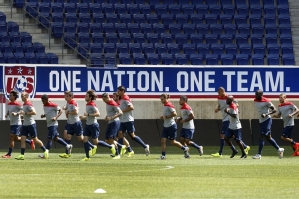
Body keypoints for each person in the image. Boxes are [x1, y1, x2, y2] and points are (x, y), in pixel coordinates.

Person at [212, 87, 250, 157]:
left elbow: (236, 105)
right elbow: (220, 106)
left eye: (219, 92)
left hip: (228, 119)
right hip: (224, 118)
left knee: (222, 135)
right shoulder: (219, 98)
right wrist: (218, 109)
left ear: (223, 91)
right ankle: (244, 147)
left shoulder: (229, 98)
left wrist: (231, 109)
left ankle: (220, 153)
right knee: (231, 136)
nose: (218, 94)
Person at [80, 90, 117, 161]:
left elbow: (98, 114)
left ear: (90, 97)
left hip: (93, 125)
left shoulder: (92, 104)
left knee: (96, 142)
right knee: (85, 140)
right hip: (88, 124)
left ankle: (110, 147)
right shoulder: (87, 104)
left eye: (86, 96)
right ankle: (87, 157)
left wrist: (87, 115)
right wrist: (84, 117)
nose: (85, 97)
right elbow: (90, 116)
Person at [59, 91, 95, 158]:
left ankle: (92, 147)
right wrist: (65, 108)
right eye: (65, 96)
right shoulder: (68, 102)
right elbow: (66, 107)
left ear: (70, 97)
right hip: (70, 123)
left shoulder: (73, 103)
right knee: (67, 137)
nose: (65, 97)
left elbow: (76, 112)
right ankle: (67, 153)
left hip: (76, 123)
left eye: (66, 96)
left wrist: (68, 112)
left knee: (81, 139)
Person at [117, 86, 150, 157]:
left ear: (122, 91)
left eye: (119, 91)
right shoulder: (121, 99)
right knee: (120, 134)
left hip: (128, 120)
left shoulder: (126, 98)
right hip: (123, 120)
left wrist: (121, 111)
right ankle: (118, 153)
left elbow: (131, 107)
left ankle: (145, 146)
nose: (118, 92)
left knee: (132, 136)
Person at [15, 92, 49, 160]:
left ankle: (45, 150)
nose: (21, 97)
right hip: (25, 125)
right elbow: (25, 114)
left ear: (27, 96)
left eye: (23, 96)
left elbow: (34, 112)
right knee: (22, 139)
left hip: (31, 124)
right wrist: (19, 114)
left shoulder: (29, 104)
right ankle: (22, 155)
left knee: (35, 140)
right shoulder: (24, 104)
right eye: (21, 96)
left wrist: (25, 113)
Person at [252, 89, 285, 159]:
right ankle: (280, 149)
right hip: (261, 121)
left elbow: (274, 110)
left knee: (261, 136)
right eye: (255, 94)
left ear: (261, 95)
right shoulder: (255, 100)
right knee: (268, 138)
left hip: (267, 120)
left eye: (257, 94)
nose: (255, 95)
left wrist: (266, 114)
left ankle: (259, 154)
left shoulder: (266, 101)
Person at [2, 90, 35, 158]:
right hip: (12, 123)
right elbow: (9, 110)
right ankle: (30, 142)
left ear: (14, 97)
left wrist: (17, 113)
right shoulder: (9, 103)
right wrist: (7, 114)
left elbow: (23, 110)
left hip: (17, 123)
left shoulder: (18, 104)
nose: (9, 96)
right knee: (16, 138)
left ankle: (9, 154)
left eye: (11, 95)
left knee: (11, 137)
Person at [159, 93, 189, 160]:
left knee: (172, 142)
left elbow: (175, 113)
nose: (161, 100)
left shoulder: (169, 105)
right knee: (163, 140)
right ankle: (163, 156)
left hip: (171, 126)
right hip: (165, 126)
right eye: (161, 99)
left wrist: (166, 116)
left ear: (166, 98)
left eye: (162, 99)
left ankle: (185, 148)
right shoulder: (165, 105)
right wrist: (163, 117)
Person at [101, 92, 123, 159]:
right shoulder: (107, 103)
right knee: (107, 140)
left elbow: (120, 113)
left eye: (104, 99)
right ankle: (121, 146)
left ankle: (118, 154)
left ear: (108, 97)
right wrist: (107, 116)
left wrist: (111, 118)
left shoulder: (113, 103)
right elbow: (111, 112)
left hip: (115, 122)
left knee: (111, 139)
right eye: (103, 100)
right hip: (110, 122)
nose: (104, 101)